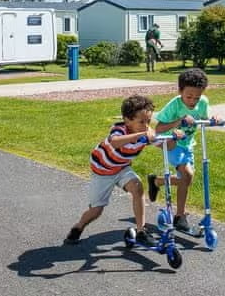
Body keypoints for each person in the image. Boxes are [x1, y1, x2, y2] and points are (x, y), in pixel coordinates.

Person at [64, 94, 172, 246]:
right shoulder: (119, 129)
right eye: (141, 121)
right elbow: (115, 143)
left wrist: (174, 137)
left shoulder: (147, 132)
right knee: (96, 210)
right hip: (102, 172)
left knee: (138, 187)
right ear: (127, 120)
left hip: (121, 168)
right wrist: (141, 135)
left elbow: (164, 144)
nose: (146, 125)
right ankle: (78, 227)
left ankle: (141, 231)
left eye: (148, 121)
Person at [148, 68, 221, 232]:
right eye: (189, 96)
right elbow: (158, 128)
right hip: (169, 141)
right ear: (180, 90)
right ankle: (179, 216)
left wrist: (214, 118)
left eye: (197, 97)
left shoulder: (203, 102)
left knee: (186, 180)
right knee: (187, 175)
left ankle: (157, 182)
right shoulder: (174, 105)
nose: (193, 101)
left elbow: (205, 116)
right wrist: (179, 121)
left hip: (187, 144)